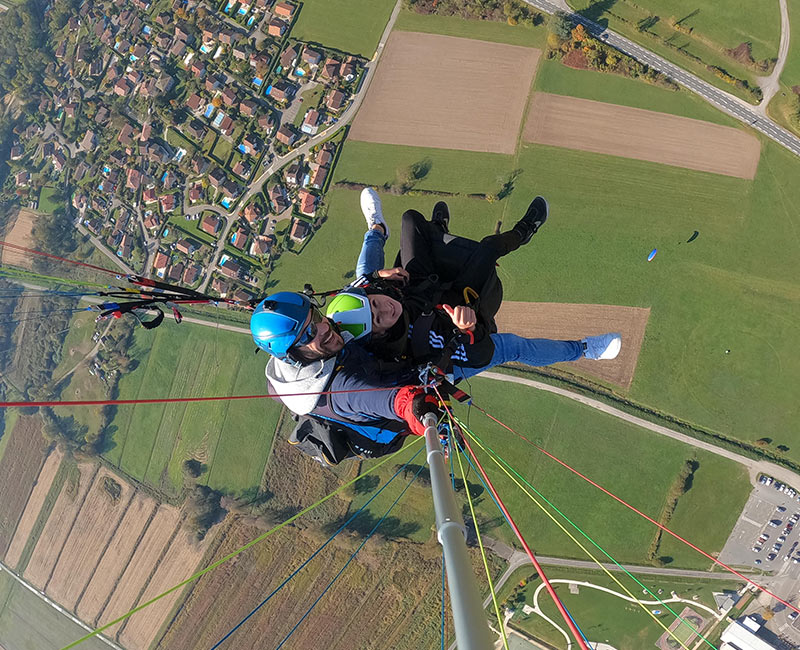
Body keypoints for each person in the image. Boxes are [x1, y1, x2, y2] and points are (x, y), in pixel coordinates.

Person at [326, 188, 621, 382]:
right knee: (491, 253)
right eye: (379, 319)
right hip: (455, 308)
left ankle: (381, 227)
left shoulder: (369, 297)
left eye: (375, 303)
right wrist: (469, 329)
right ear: (379, 335)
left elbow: (366, 284)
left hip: (419, 289)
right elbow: (480, 355)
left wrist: (380, 279)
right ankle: (584, 348)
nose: (384, 309)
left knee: (410, 220)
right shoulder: (419, 346)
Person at [250, 292, 445, 444]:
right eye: (309, 334)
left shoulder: (292, 366)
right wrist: (413, 406)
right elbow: (374, 398)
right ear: (293, 356)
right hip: (396, 394)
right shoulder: (341, 389)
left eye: (317, 316)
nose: (324, 328)